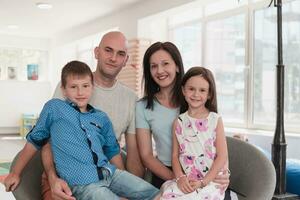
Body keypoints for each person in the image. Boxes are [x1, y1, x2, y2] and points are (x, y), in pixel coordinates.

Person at [4, 61, 159, 200]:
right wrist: (15, 173)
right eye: (73, 87)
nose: (80, 92)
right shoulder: (55, 108)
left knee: (153, 192)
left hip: (110, 174)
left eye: (85, 86)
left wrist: (125, 184)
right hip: (82, 184)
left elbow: (112, 150)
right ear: (64, 89)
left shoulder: (101, 118)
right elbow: (35, 141)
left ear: (92, 87)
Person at [42, 31, 144, 200]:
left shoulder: (131, 99)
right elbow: (46, 139)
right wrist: (52, 179)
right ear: (97, 52)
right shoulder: (69, 87)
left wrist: (130, 191)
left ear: (126, 60)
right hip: (63, 178)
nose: (113, 58)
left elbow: (133, 153)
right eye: (108, 50)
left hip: (105, 176)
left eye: (120, 54)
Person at [136, 42, 231, 199]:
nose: (159, 70)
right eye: (153, 66)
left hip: (206, 174)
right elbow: (146, 156)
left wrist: (224, 172)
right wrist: (179, 178)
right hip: (167, 171)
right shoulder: (143, 107)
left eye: (165, 63)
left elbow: (215, 144)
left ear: (177, 66)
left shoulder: (194, 99)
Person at [160, 66, 228, 199]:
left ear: (209, 94)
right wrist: (180, 177)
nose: (196, 94)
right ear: (183, 90)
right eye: (191, 89)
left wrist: (204, 182)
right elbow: (175, 156)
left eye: (202, 90)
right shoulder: (178, 122)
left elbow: (222, 155)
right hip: (187, 181)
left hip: (210, 181)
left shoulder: (215, 120)